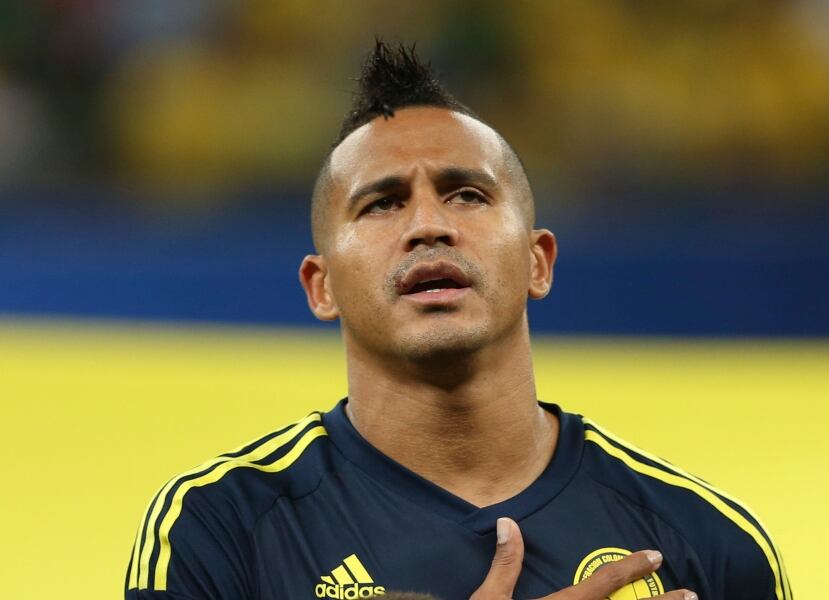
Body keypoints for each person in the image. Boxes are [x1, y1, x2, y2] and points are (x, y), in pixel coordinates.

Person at [125, 41, 791, 600]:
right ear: (320, 286)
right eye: (382, 203)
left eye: (466, 194)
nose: (428, 225)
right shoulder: (217, 527)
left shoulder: (708, 541)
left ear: (538, 263)